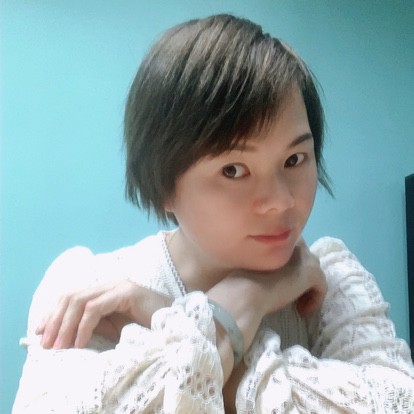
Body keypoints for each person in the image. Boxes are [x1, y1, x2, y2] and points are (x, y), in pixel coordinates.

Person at [13, 14, 414, 413]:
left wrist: (176, 320)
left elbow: (398, 401)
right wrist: (245, 300)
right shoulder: (88, 288)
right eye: (233, 170)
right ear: (163, 184)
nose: (280, 201)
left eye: (294, 159)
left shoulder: (330, 279)